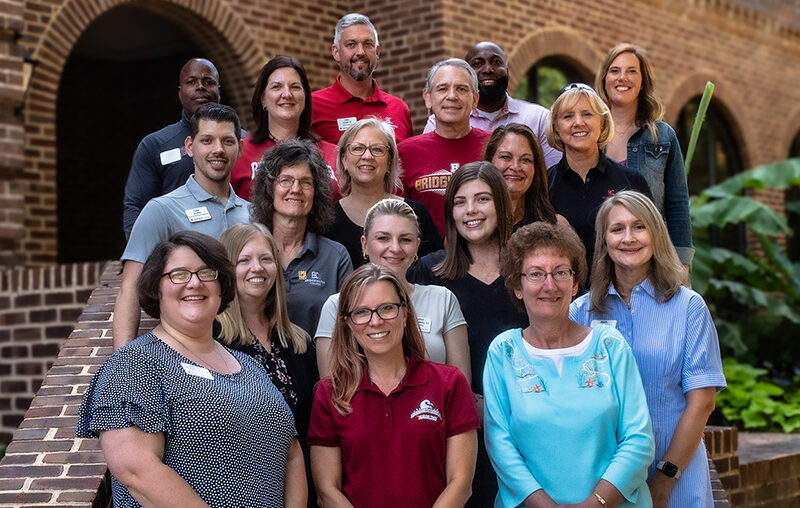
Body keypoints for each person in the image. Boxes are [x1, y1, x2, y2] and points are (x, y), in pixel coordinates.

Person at [77, 231, 306, 507]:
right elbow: (136, 470)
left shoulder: (251, 367)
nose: (195, 283)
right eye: (179, 274)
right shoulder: (135, 363)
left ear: (221, 287)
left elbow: (291, 452)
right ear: (155, 288)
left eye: (207, 273)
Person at [571, 191, 725, 508]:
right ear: (604, 240)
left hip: (676, 467)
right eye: (617, 229)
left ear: (655, 234)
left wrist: (665, 479)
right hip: (602, 476)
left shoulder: (688, 308)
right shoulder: (581, 313)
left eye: (639, 227)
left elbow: (702, 402)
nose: (629, 238)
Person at [485, 221, 654, 507]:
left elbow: (639, 439)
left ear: (575, 284)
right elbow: (500, 445)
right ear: (517, 285)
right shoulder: (503, 353)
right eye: (536, 274)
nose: (549, 285)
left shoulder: (610, 346)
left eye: (561, 272)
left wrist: (594, 504)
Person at [407, 161, 528, 507]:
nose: (471, 211)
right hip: (455, 428)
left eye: (482, 199)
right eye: (460, 202)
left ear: (501, 205)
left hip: (525, 421)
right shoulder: (428, 272)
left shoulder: (528, 269)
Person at [308, 263, 479, 507]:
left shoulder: (449, 384)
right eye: (361, 312)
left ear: (405, 312)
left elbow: (461, 483)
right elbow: (327, 490)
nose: (375, 322)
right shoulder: (330, 394)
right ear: (347, 322)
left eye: (387, 308)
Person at [113, 103, 250, 350]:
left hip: (249, 349)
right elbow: (130, 290)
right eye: (207, 140)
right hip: (186, 350)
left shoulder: (254, 214)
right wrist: (122, 366)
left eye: (228, 141)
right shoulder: (160, 210)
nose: (218, 149)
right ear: (189, 146)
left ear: (240, 148)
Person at [216, 222, 319, 507]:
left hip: (302, 489)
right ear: (226, 269)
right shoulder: (211, 341)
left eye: (265, 259)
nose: (257, 268)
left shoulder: (297, 342)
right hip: (242, 491)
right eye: (244, 260)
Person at [316, 198, 468, 380]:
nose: (395, 248)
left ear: (417, 247)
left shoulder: (442, 299)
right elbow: (331, 389)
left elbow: (461, 385)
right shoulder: (337, 305)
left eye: (405, 239)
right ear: (364, 244)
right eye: (383, 238)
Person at [596, 43, 694, 273]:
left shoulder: (663, 136)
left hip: (652, 261)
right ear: (604, 80)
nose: (623, 78)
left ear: (643, 82)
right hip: (599, 259)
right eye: (615, 70)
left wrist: (683, 265)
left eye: (632, 71)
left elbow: (678, 204)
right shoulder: (590, 135)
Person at [250, 138, 352, 337]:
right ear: (269, 188)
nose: (295, 189)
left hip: (318, 365)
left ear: (317, 192)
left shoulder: (336, 257)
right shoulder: (248, 251)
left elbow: (347, 326)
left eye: (305, 182)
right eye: (285, 180)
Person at [545, 83, 651, 271]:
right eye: (568, 116)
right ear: (556, 128)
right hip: (563, 295)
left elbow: (652, 244)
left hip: (623, 292)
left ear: (602, 122)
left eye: (587, 114)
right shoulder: (543, 187)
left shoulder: (632, 182)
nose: (578, 122)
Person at [123, 58, 222, 239]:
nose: (200, 87)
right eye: (191, 82)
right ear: (180, 92)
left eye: (208, 82)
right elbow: (136, 208)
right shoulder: (154, 145)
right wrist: (148, 258)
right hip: (176, 256)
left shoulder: (244, 142)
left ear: (218, 91)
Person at [324, 118, 442, 268]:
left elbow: (435, 269)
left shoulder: (416, 213)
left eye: (377, 149)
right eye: (358, 148)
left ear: (389, 161)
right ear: (344, 160)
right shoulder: (327, 219)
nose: (367, 156)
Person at [424, 42, 560, 168]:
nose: (488, 69)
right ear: (467, 76)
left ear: (507, 70)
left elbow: (553, 177)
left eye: (496, 62)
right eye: (477, 64)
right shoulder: (439, 121)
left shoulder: (539, 118)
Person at [399, 58, 491, 237]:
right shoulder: (405, 152)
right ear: (428, 98)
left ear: (475, 99)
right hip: (427, 260)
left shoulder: (495, 145)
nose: (452, 96)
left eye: (462, 89)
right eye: (442, 88)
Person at [230, 55, 339, 201]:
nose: (287, 94)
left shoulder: (334, 154)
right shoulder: (240, 153)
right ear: (263, 98)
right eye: (276, 87)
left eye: (295, 87)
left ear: (305, 97)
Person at [312, 13, 412, 144]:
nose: (360, 52)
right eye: (351, 44)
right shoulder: (313, 105)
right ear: (336, 52)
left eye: (368, 44)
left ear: (377, 52)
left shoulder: (399, 109)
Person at [484, 123, 561, 229]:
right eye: (506, 157)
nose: (515, 167)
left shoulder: (554, 226)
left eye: (526, 159)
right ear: (489, 161)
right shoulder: (474, 222)